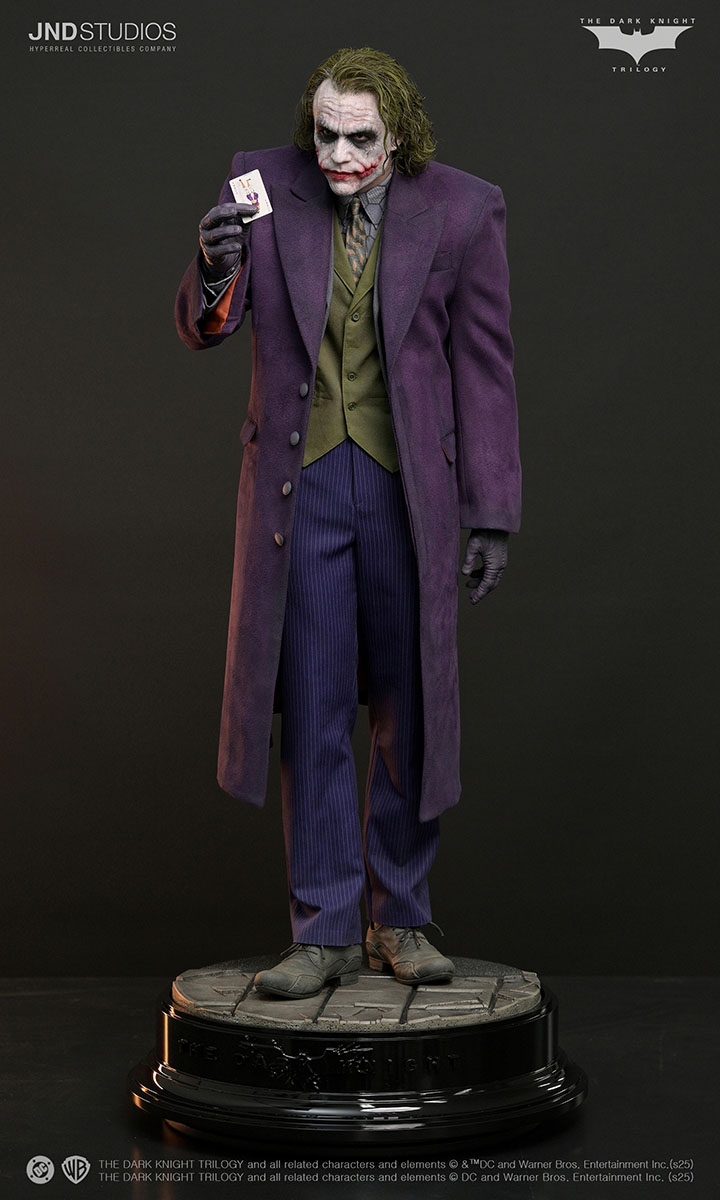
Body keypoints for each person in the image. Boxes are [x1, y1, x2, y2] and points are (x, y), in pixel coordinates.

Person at [175, 46, 521, 998]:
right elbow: (206, 325)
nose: (336, 155)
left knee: (409, 709)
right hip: (302, 489)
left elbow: (484, 366)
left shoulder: (464, 208)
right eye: (323, 134)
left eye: (359, 137)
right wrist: (215, 267)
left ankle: (399, 917)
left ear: (397, 135)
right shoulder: (259, 187)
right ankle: (323, 927)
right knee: (316, 705)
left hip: (411, 492)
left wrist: (491, 512)